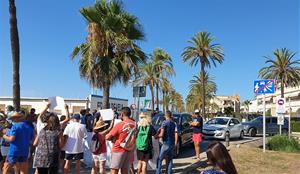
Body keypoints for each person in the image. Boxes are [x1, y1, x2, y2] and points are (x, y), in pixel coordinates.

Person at [106, 107, 136, 174]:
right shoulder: (135, 124)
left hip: (118, 149)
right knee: (125, 170)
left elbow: (107, 137)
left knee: (114, 170)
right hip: (129, 150)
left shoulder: (120, 124)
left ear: (122, 114)